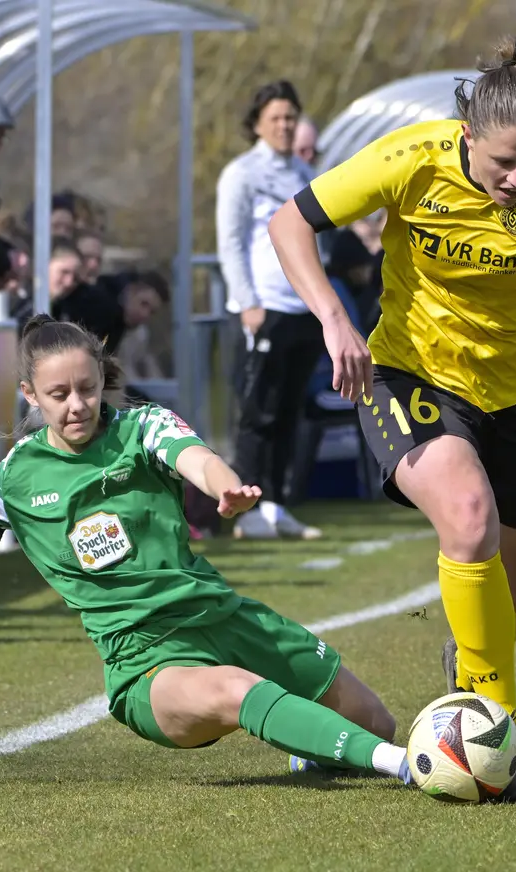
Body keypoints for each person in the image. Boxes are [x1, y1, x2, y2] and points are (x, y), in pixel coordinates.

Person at [267, 36, 516, 800]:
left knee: (508, 602)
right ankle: (502, 731)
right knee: (467, 516)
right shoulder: (409, 159)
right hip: (410, 372)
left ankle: (471, 675)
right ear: (467, 136)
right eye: (503, 163)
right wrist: (333, 316)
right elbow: (289, 223)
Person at [0, 317, 414, 786]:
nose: (78, 406)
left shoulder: (141, 426)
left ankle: (323, 745)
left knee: (374, 720)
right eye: (59, 395)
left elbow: (196, 457)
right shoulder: (11, 481)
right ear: (29, 396)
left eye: (88, 388)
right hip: (146, 662)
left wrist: (226, 489)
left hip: (223, 615)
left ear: (103, 379)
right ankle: (409, 767)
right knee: (240, 691)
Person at [215, 80, 324, 541]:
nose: (284, 125)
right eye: (275, 118)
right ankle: (247, 509)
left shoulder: (303, 174)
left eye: (290, 117)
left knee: (289, 411)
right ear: (257, 123)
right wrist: (248, 302)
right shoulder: (241, 173)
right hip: (264, 309)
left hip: (302, 308)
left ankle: (277, 505)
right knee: (257, 412)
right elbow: (231, 242)